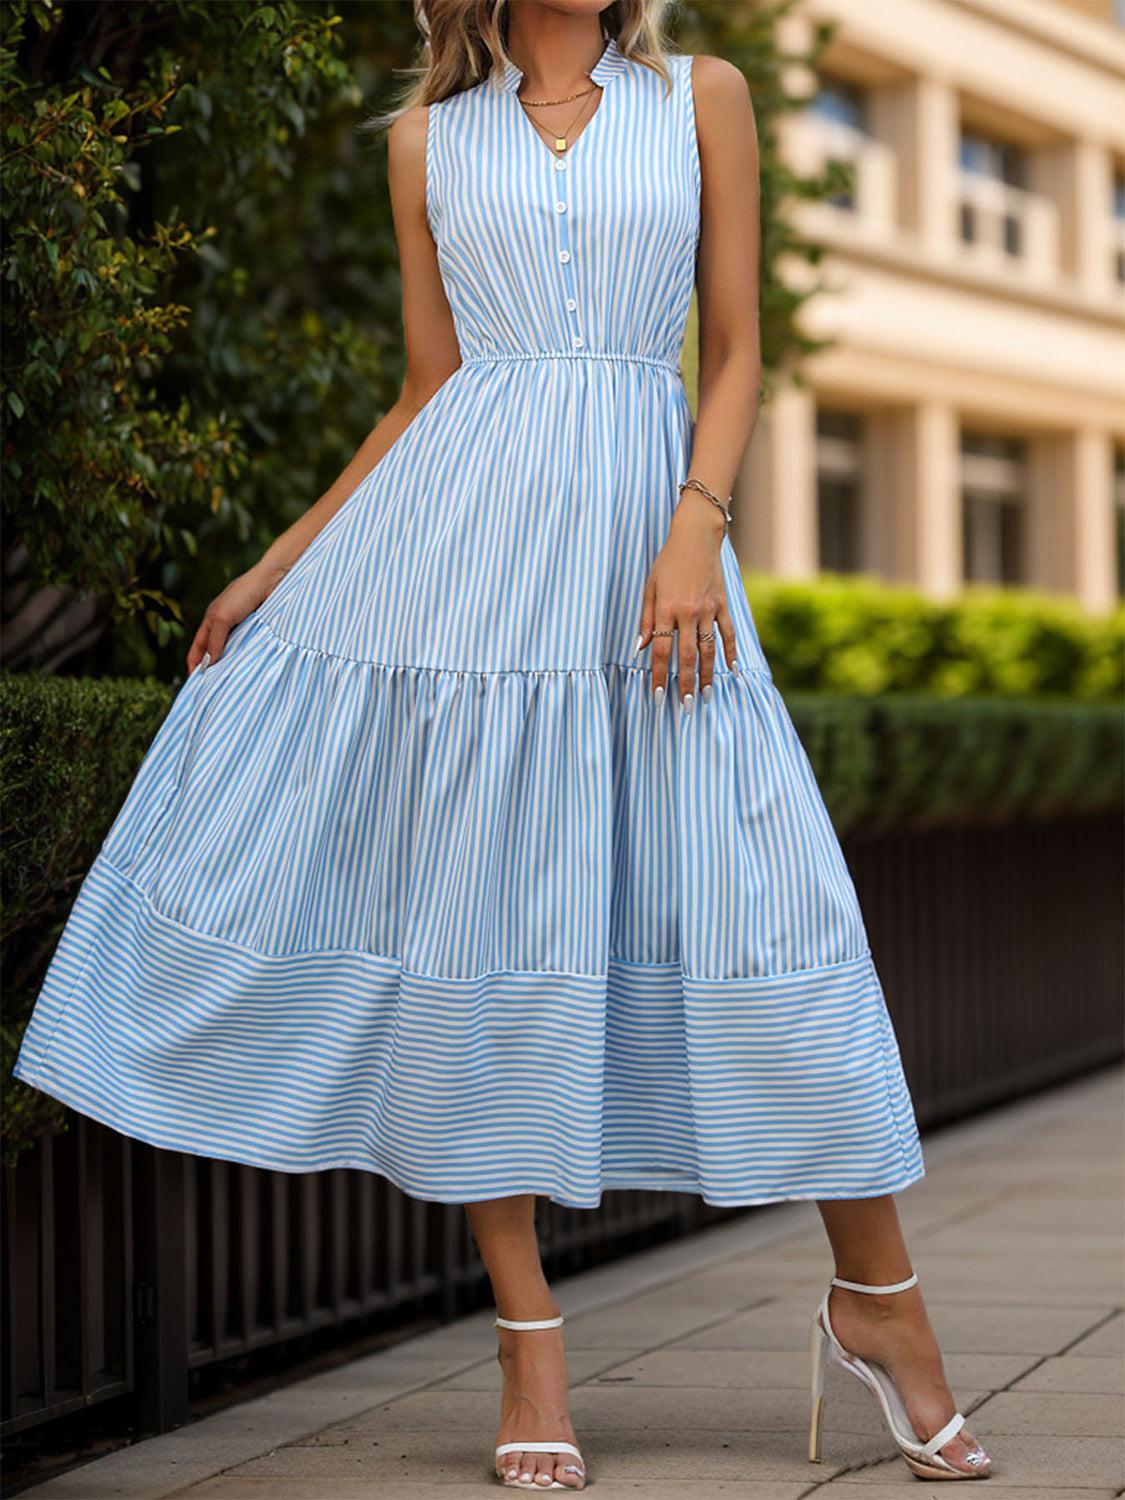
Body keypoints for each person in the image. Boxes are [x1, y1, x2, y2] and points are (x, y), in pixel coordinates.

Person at [12, 0, 992, 1490]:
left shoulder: (700, 97)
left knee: (770, 898)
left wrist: (693, 526)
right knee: (481, 917)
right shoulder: (423, 139)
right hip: (460, 571)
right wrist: (278, 566)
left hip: (653, 557)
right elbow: (425, 389)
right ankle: (528, 1340)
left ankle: (880, 1303)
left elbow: (731, 351)